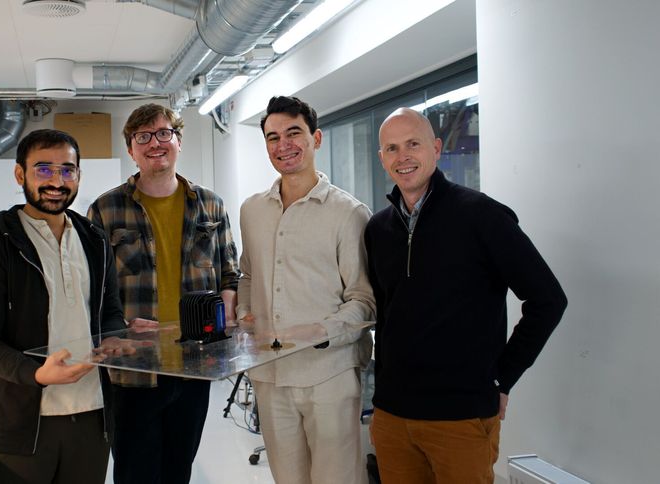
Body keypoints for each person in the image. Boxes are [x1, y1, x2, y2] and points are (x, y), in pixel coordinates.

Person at [364, 108, 568, 483]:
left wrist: (502, 378)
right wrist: (379, 404)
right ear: (382, 158)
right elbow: (386, 318)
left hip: (460, 417)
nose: (402, 156)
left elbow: (548, 300)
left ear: (436, 148)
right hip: (393, 417)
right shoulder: (378, 229)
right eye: (391, 148)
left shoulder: (481, 216)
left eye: (413, 144)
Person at [0, 129, 127, 484]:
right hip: (20, 424)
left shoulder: (95, 240)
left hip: (92, 415)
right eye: (44, 169)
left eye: (67, 170)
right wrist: (35, 374)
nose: (57, 181)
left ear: (79, 175)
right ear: (20, 174)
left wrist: (116, 336)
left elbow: (110, 311)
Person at [87, 103, 240, 484]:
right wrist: (120, 326)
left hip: (194, 365)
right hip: (134, 371)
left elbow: (229, 274)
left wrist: (226, 310)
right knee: (134, 474)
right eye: (143, 137)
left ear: (178, 140)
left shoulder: (210, 205)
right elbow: (91, 290)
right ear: (131, 149)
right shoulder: (105, 210)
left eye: (163, 133)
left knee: (178, 471)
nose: (155, 143)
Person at [236, 95, 376, 484]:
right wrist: (245, 314)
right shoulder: (252, 210)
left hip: (329, 375)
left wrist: (319, 331)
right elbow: (247, 274)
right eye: (273, 137)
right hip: (270, 373)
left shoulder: (348, 213)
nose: (283, 145)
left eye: (293, 133)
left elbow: (364, 300)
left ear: (316, 138)